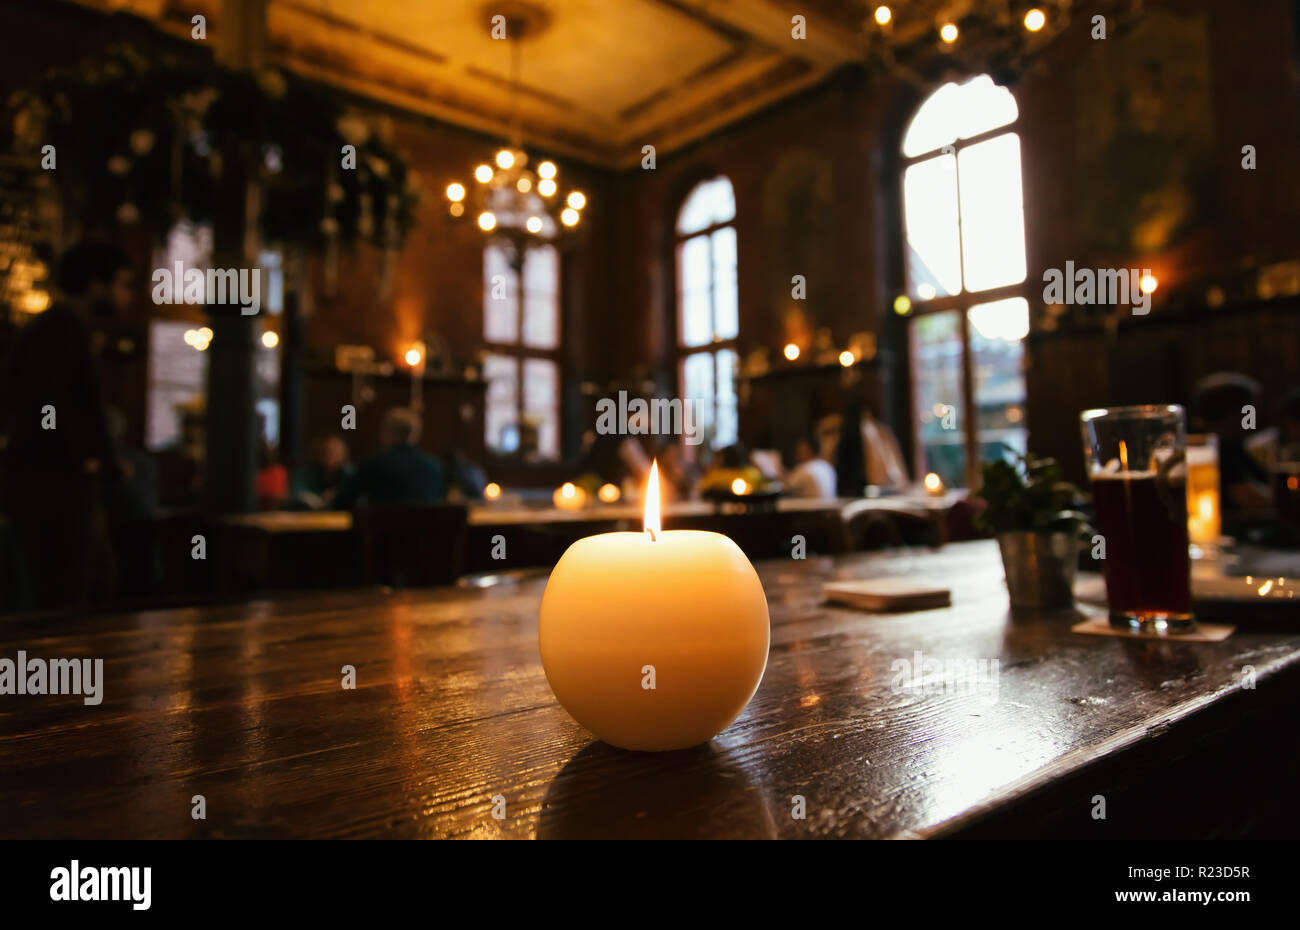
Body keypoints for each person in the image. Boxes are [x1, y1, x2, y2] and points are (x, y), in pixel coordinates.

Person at [0, 240, 131, 608]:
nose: (127, 297)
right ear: (95, 285)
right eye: (122, 284)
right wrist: (78, 458)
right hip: (53, 483)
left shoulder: (56, 327)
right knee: (66, 595)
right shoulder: (63, 328)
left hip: (44, 477)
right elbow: (48, 404)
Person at [331, 408, 445, 509]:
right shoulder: (435, 467)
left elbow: (343, 502)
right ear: (416, 434)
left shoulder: (374, 464)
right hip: (426, 533)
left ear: (387, 431)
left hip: (381, 532)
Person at [1192, 373, 1271, 512]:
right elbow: (1254, 500)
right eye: (1252, 410)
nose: (1256, 417)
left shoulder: (1232, 444)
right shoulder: (1212, 449)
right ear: (1235, 413)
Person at [292, 434, 353, 508]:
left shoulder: (350, 474)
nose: (330, 456)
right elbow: (297, 493)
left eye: (335, 452)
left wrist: (336, 495)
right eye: (326, 452)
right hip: (309, 515)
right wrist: (316, 499)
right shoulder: (306, 472)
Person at [786, 433, 837, 499]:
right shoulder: (827, 466)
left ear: (808, 450)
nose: (797, 452)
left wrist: (776, 469)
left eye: (800, 448)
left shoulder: (805, 468)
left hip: (812, 508)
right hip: (830, 508)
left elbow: (787, 486)